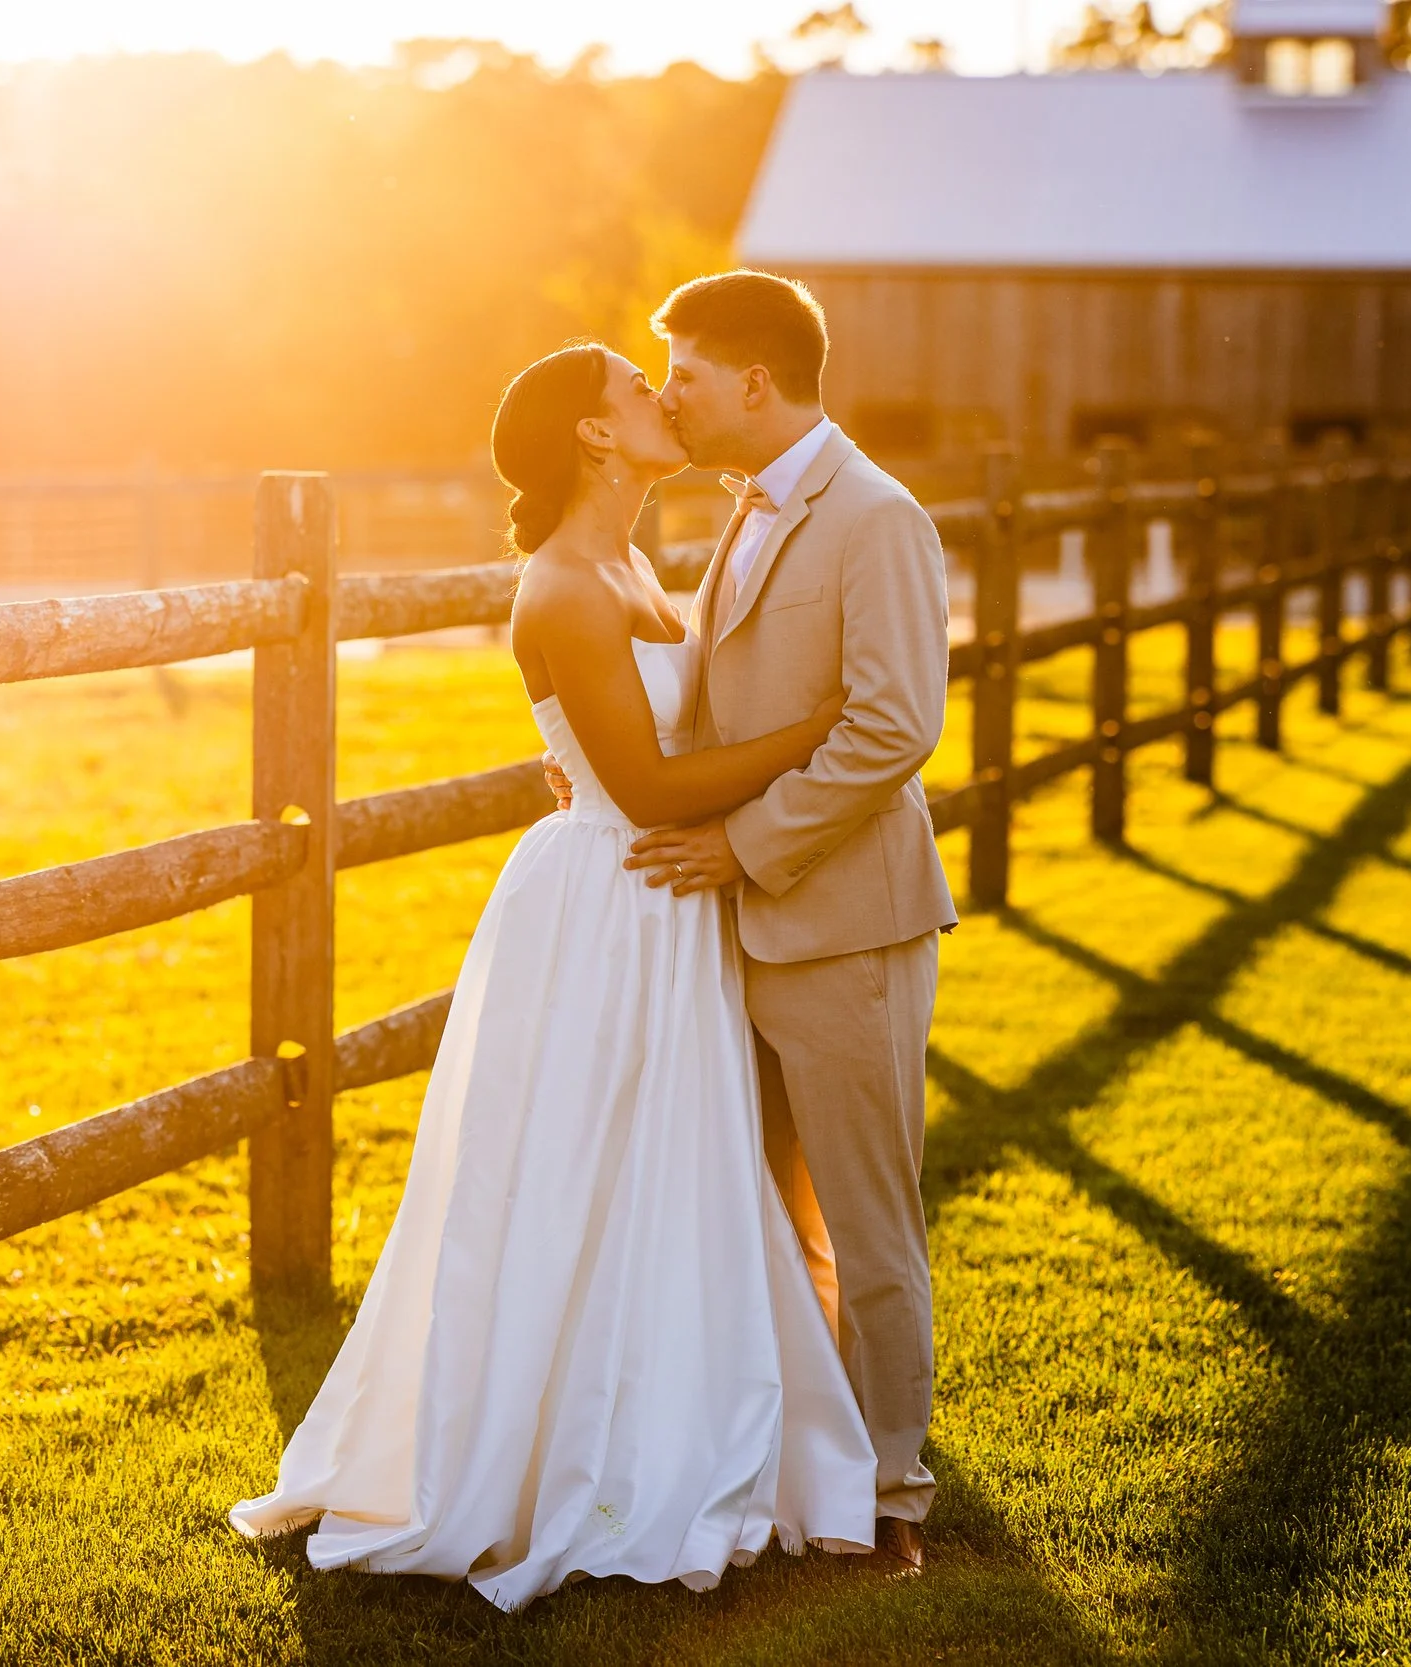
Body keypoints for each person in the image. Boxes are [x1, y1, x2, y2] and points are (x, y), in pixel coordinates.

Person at [228, 340, 879, 1612]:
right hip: (608, 897)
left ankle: (664, 1406)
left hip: (662, 896)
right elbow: (641, 785)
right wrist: (827, 728)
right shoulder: (566, 587)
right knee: (578, 1161)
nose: (666, 398)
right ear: (592, 434)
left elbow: (637, 739)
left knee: (668, 1159)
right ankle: (546, 1449)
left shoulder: (631, 562)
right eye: (642, 389)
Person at [597, 270, 958, 1575]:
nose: (669, 396)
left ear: (756, 381)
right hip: (728, 936)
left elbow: (893, 725)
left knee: (866, 1221)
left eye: (683, 372)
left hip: (846, 924)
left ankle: (896, 1497)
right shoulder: (741, 507)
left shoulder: (875, 516)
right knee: (744, 1210)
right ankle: (784, 1458)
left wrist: (740, 843)